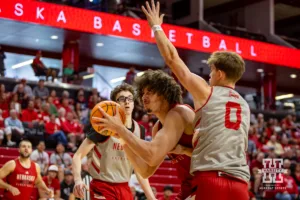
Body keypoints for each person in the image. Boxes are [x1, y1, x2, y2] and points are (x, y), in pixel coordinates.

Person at [141, 1, 250, 199]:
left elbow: (173, 59)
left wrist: (156, 26)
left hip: (212, 178)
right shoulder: (245, 106)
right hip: (241, 183)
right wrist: (185, 148)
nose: (209, 76)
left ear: (220, 73)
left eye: (211, 71)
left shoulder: (207, 92)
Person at [93, 70, 196, 200]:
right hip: (189, 186)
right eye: (143, 93)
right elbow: (146, 171)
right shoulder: (158, 128)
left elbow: (151, 155)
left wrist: (121, 129)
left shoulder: (179, 113)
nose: (144, 97)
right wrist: (121, 137)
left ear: (164, 93)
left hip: (206, 180)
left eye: (150, 92)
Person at [72, 83, 156, 200]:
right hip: (102, 186)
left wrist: (152, 198)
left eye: (130, 99)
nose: (127, 102)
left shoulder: (140, 130)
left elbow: (139, 170)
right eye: (122, 99)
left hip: (124, 187)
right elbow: (78, 155)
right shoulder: (103, 126)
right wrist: (77, 180)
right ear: (114, 104)